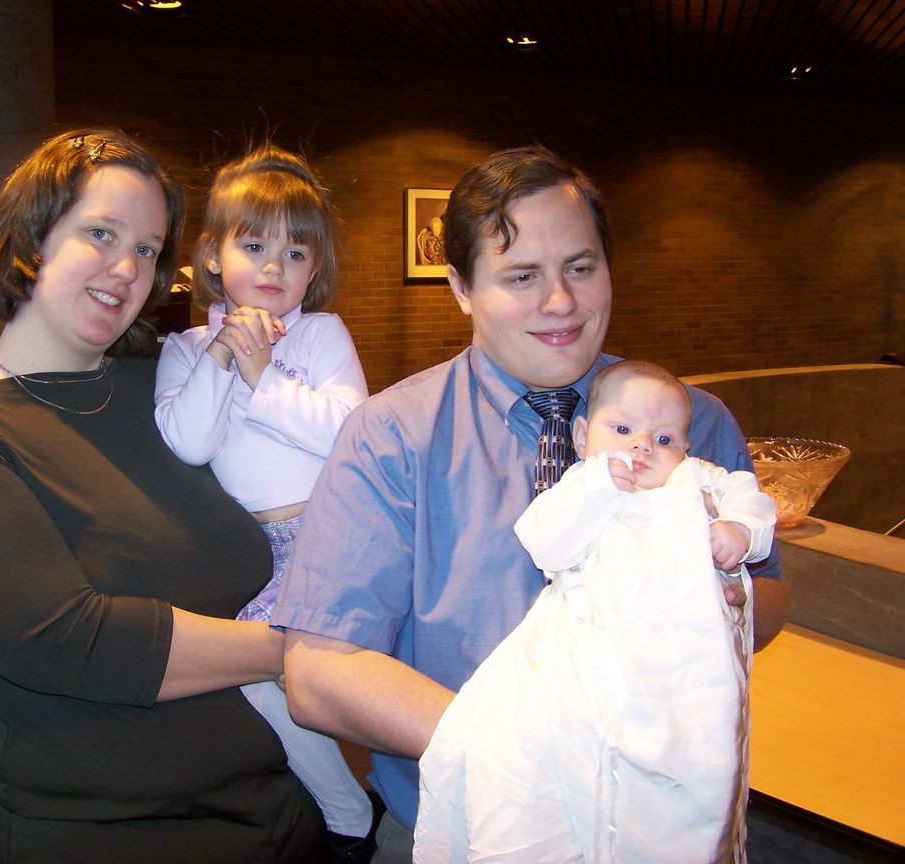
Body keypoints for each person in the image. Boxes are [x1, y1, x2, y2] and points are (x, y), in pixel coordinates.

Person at [273, 145, 789, 862]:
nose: (561, 303)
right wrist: (526, 758)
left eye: (581, 267)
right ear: (461, 287)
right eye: (522, 276)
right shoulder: (392, 437)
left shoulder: (688, 423)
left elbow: (768, 598)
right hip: (458, 829)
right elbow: (319, 675)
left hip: (657, 832)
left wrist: (719, 598)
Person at [0, 129, 324, 863]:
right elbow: (75, 643)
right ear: (33, 237)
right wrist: (304, 647)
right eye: (100, 234)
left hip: (280, 808)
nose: (127, 269)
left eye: (148, 249)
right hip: (116, 833)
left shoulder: (173, 385)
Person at [415, 359, 776, 863]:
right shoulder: (581, 486)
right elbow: (544, 543)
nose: (642, 446)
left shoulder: (696, 483)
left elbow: (754, 502)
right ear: (583, 436)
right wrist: (596, 489)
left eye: (664, 439)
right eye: (622, 430)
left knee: (695, 776)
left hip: (680, 664)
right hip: (588, 649)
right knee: (556, 767)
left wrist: (739, 530)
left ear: (686, 450)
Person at [153, 143, 377, 860]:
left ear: (316, 268)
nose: (275, 268)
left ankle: (350, 817)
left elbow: (348, 433)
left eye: (295, 253)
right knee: (255, 680)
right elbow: (189, 442)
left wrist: (264, 376)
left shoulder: (319, 334)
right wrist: (223, 355)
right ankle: (344, 808)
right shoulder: (187, 349)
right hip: (254, 551)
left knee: (274, 675)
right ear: (213, 256)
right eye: (254, 247)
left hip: (333, 531)